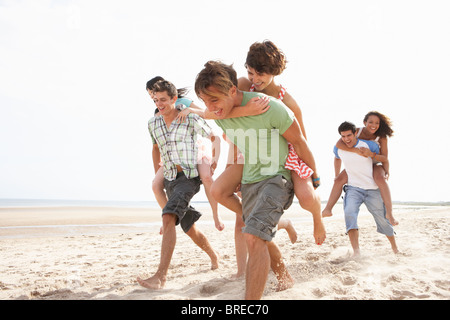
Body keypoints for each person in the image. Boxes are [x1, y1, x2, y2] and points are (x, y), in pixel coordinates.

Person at [195, 60, 320, 300]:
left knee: (252, 235)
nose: (211, 108)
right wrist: (233, 109)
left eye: (214, 100)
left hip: (278, 177)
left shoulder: (272, 108)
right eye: (206, 102)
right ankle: (284, 276)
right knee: (246, 221)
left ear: (232, 91)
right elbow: (207, 111)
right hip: (251, 177)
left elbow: (300, 142)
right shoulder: (220, 112)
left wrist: (313, 174)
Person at [237, 40, 325, 245]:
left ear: (274, 72)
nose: (255, 79)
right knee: (246, 202)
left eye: (261, 74)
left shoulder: (288, 102)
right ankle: (279, 225)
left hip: (289, 152)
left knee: (305, 197)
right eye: (251, 72)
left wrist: (314, 172)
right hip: (255, 149)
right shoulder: (243, 85)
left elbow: (301, 141)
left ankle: (317, 216)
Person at [137, 80, 220, 289]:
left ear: (174, 99)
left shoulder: (189, 117)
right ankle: (214, 255)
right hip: (170, 179)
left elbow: (213, 136)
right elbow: (155, 148)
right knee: (188, 227)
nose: (160, 104)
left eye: (163, 100)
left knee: (168, 216)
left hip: (189, 179)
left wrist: (214, 159)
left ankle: (160, 277)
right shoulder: (152, 123)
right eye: (156, 100)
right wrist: (157, 172)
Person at [146, 76, 224, 231]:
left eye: (156, 95)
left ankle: (216, 214)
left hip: (195, 148)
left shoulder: (184, 105)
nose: (154, 100)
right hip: (173, 156)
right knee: (156, 185)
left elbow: (207, 114)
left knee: (207, 177)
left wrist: (189, 110)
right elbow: (156, 148)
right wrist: (159, 173)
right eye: (152, 97)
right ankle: (167, 217)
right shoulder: (157, 118)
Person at [333, 121, 399, 257]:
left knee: (382, 218)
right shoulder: (346, 140)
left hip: (373, 180)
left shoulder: (376, 141)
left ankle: (394, 247)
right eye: (343, 136)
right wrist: (336, 174)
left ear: (355, 133)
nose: (346, 139)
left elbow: (385, 158)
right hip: (354, 187)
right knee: (349, 212)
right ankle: (356, 252)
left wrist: (386, 170)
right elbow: (337, 153)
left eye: (349, 135)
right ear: (364, 123)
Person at [323, 111, 398, 227]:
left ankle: (390, 214)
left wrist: (372, 156)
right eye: (370, 122)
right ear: (364, 122)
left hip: (374, 162)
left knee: (380, 179)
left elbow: (384, 157)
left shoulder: (381, 137)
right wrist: (355, 151)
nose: (373, 125)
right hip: (358, 165)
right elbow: (339, 145)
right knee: (338, 180)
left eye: (377, 123)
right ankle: (327, 209)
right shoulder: (356, 131)